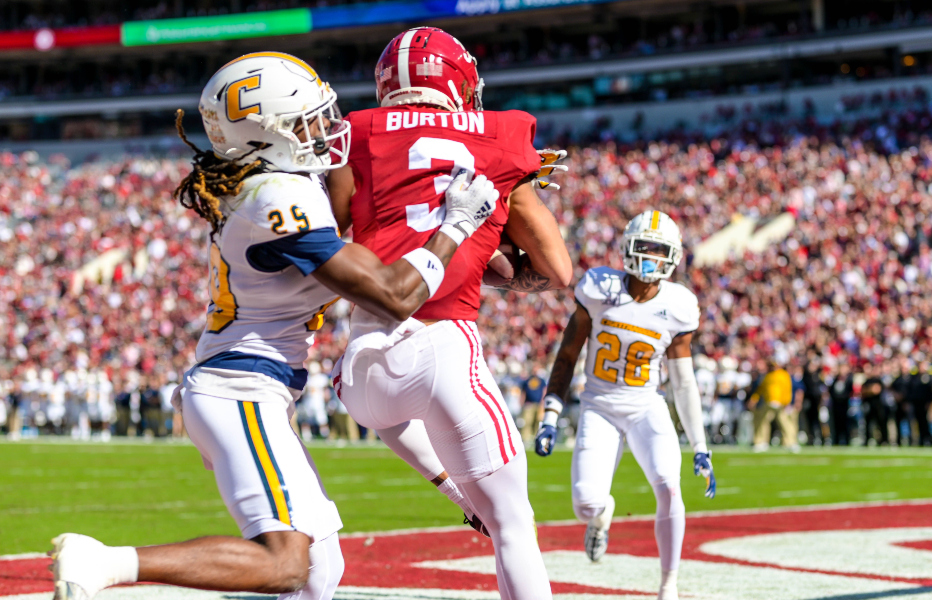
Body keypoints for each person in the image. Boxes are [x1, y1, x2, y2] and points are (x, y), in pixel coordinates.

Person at [49, 51, 500, 600]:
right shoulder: (277, 198)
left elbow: (356, 232)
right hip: (241, 390)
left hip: (251, 386)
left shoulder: (272, 183)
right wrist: (454, 225)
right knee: (286, 563)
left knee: (319, 571)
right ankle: (107, 562)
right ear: (266, 135)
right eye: (307, 121)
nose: (327, 130)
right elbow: (394, 295)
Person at [328, 27, 572, 599]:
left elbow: (331, 233)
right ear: (461, 82)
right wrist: (490, 236)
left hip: (360, 365)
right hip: (442, 347)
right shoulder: (504, 138)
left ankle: (457, 493)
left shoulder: (352, 133)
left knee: (379, 403)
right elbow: (557, 270)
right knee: (514, 525)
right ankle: (477, 499)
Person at [534, 210, 715, 600]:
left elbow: (683, 382)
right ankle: (601, 517)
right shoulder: (599, 288)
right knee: (585, 503)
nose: (650, 257)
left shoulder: (679, 305)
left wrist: (700, 446)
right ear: (628, 249)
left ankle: (669, 586)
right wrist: (550, 414)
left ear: (673, 256)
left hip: (646, 405)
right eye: (644, 247)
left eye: (658, 250)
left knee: (669, 485)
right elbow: (567, 355)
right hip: (598, 405)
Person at [748, 358, 798, 452]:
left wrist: (786, 402)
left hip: (780, 403)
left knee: (785, 423)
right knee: (762, 422)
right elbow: (761, 389)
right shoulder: (767, 376)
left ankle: (790, 442)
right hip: (768, 402)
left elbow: (787, 389)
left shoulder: (783, 375)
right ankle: (760, 442)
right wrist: (754, 399)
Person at [801, 351, 827, 445]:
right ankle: (812, 437)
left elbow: (823, 388)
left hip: (818, 402)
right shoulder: (806, 376)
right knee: (810, 421)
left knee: (820, 421)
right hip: (809, 401)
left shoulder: (819, 376)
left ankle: (822, 438)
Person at [860, 363, 889, 446]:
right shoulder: (866, 381)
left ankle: (884, 440)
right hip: (869, 406)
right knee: (868, 425)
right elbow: (863, 392)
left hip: (878, 406)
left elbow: (876, 390)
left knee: (881, 424)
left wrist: (868, 390)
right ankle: (867, 440)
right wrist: (870, 390)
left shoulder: (878, 380)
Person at [828, 362, 854, 445]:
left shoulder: (849, 379)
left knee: (846, 424)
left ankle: (846, 440)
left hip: (845, 405)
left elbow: (851, 391)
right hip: (836, 405)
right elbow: (830, 391)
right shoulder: (835, 379)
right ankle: (836, 441)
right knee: (836, 424)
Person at [519, 365, 547, 442]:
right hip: (529, 404)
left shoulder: (541, 381)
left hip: (538, 403)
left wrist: (543, 402)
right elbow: (523, 392)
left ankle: (536, 437)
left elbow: (544, 391)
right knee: (527, 421)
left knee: (537, 421)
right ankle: (526, 438)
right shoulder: (527, 380)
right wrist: (522, 402)